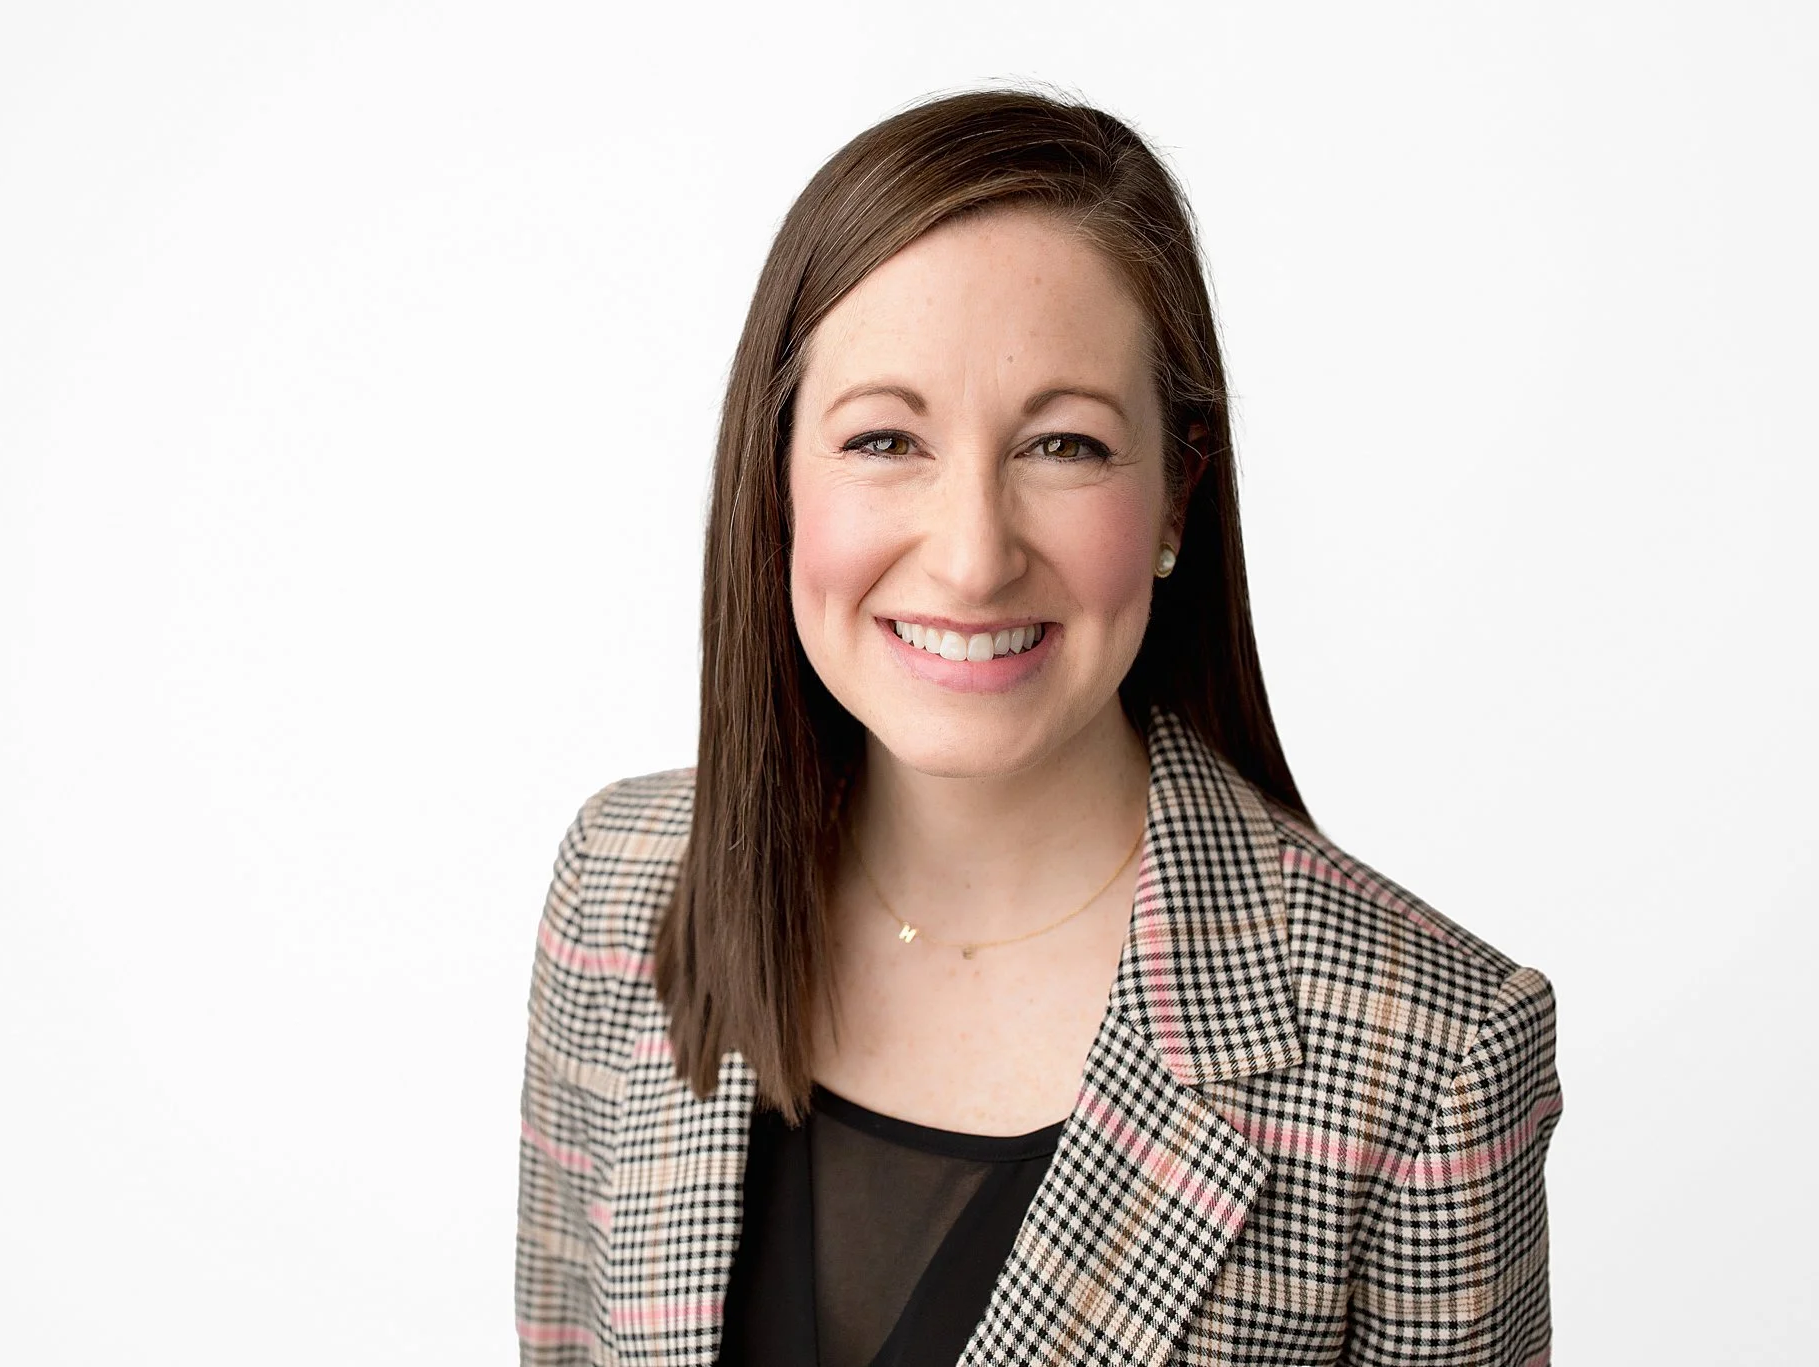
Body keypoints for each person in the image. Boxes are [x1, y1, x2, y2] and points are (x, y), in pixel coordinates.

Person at [513, 88, 1562, 1367]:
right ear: (776, 472)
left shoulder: (1425, 1053)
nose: (968, 559)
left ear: (1177, 489)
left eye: (1062, 443)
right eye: (885, 438)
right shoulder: (622, 889)